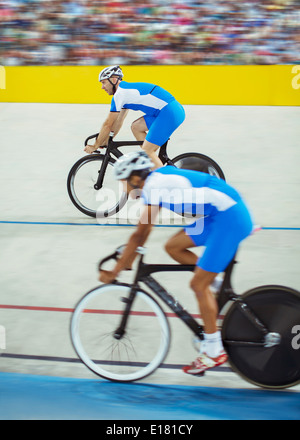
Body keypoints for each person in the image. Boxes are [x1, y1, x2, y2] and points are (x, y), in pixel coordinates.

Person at [99, 151, 254, 375]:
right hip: (221, 213)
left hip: (228, 218)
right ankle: (217, 284)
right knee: (173, 247)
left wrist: (114, 271)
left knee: (197, 285)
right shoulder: (158, 178)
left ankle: (213, 350)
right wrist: (127, 259)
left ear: (134, 179)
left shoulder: (153, 186)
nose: (123, 188)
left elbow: (140, 235)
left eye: (123, 182)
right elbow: (140, 237)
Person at [84, 65, 185, 169]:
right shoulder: (123, 93)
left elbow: (107, 124)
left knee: (147, 151)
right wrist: (107, 140)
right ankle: (152, 161)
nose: (102, 87)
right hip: (170, 111)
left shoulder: (119, 94)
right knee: (136, 126)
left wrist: (95, 145)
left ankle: (160, 179)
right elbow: (118, 121)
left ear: (114, 80)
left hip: (169, 112)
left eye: (103, 82)